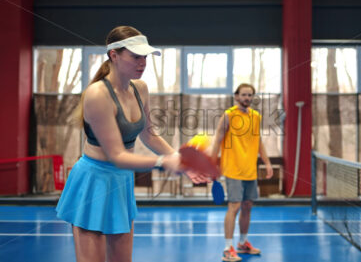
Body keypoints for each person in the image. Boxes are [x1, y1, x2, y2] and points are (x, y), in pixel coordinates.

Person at [56, 26, 207, 262]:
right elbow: (117, 155)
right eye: (135, 56)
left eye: (145, 56)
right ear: (114, 55)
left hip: (121, 182)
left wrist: (181, 160)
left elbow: (149, 135)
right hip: (93, 181)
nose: (143, 62)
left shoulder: (141, 88)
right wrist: (164, 162)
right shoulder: (98, 94)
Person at [210, 83, 273, 262]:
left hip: (250, 170)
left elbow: (258, 141)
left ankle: (243, 243)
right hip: (233, 169)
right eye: (244, 95)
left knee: (247, 206)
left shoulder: (256, 116)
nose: (247, 98)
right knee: (234, 207)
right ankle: (227, 248)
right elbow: (217, 141)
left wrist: (267, 163)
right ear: (237, 96)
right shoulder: (229, 115)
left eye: (250, 95)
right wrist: (212, 165)